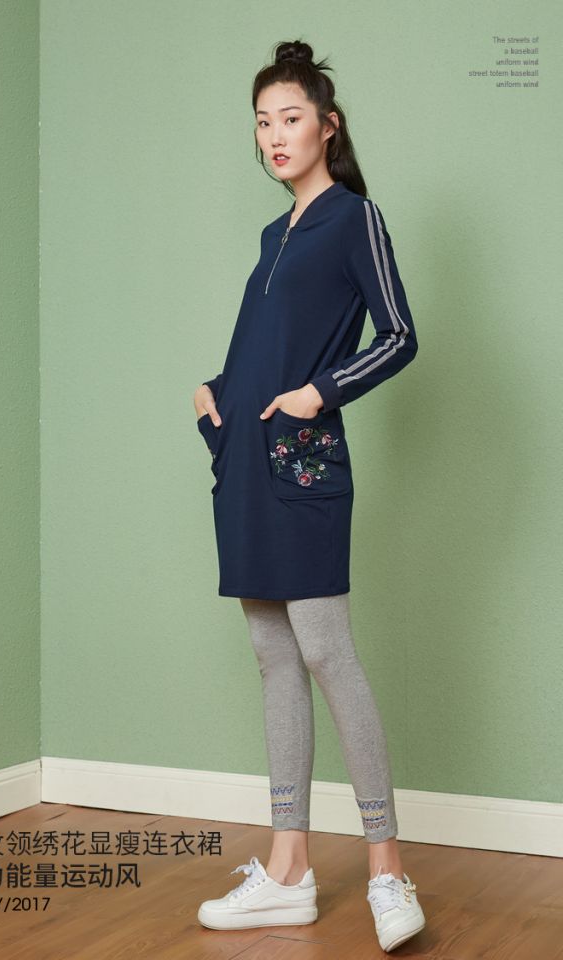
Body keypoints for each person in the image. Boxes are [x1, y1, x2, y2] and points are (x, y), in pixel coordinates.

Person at [193, 39, 425, 953]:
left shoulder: (354, 218)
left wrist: (319, 392)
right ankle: (287, 872)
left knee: (327, 652)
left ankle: (386, 871)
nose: (275, 135)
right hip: (250, 468)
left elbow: (399, 334)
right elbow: (264, 348)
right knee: (273, 658)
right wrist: (217, 398)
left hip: (304, 462)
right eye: (263, 122)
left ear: (329, 126)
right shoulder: (272, 238)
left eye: (290, 117)